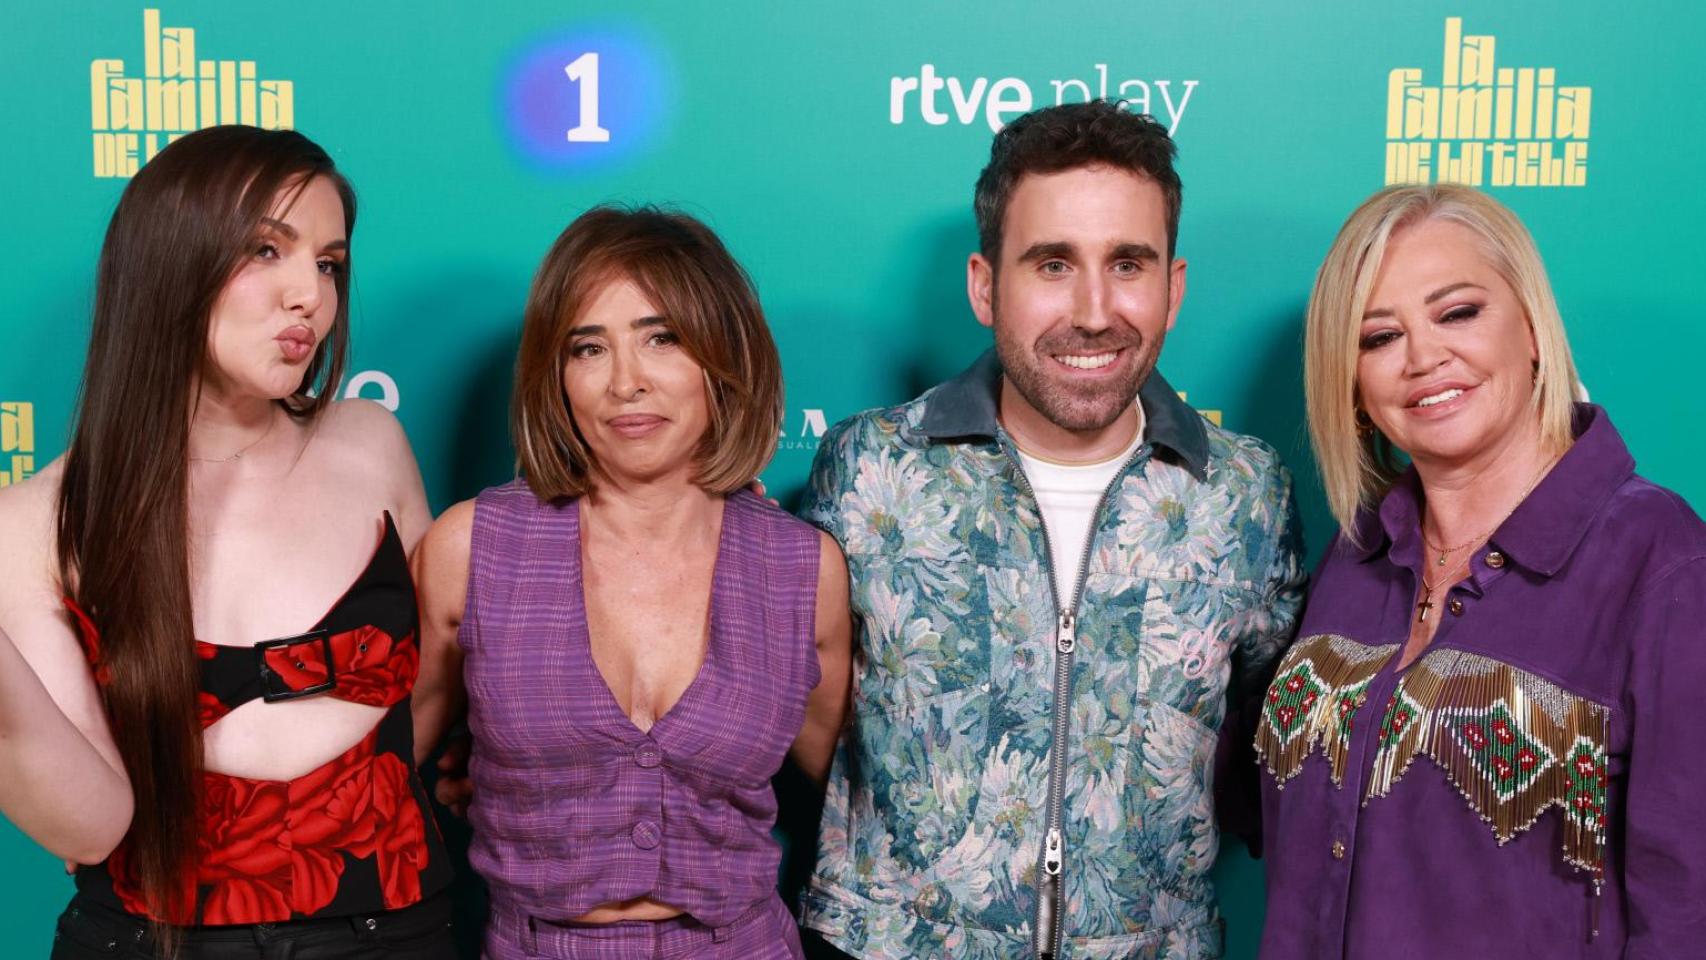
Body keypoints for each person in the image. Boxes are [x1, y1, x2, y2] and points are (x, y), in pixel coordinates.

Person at [797, 100, 1305, 959]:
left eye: (1128, 263)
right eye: (1053, 264)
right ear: (985, 285)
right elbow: (803, 717)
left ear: (1173, 288)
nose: (1096, 310)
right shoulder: (870, 467)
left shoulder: (1245, 494)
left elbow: (1273, 757)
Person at [0, 126, 454, 957]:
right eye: (266, 250)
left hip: (395, 931)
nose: (310, 296)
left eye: (328, 263)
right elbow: (92, 826)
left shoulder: (371, 444)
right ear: (171, 261)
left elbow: (432, 695)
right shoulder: (37, 520)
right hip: (152, 940)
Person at [1254, 184, 1706, 956]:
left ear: (1532, 328)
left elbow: (1688, 910)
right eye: (1379, 336)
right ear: (1354, 384)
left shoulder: (1664, 564)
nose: (1424, 357)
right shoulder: (1352, 553)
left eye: (1457, 312)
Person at [410, 205, 853, 960]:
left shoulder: (801, 569)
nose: (626, 383)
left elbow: (859, 793)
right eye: (589, 348)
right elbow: (378, 782)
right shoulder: (471, 548)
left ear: (722, 357)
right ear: (557, 375)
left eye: (662, 338)